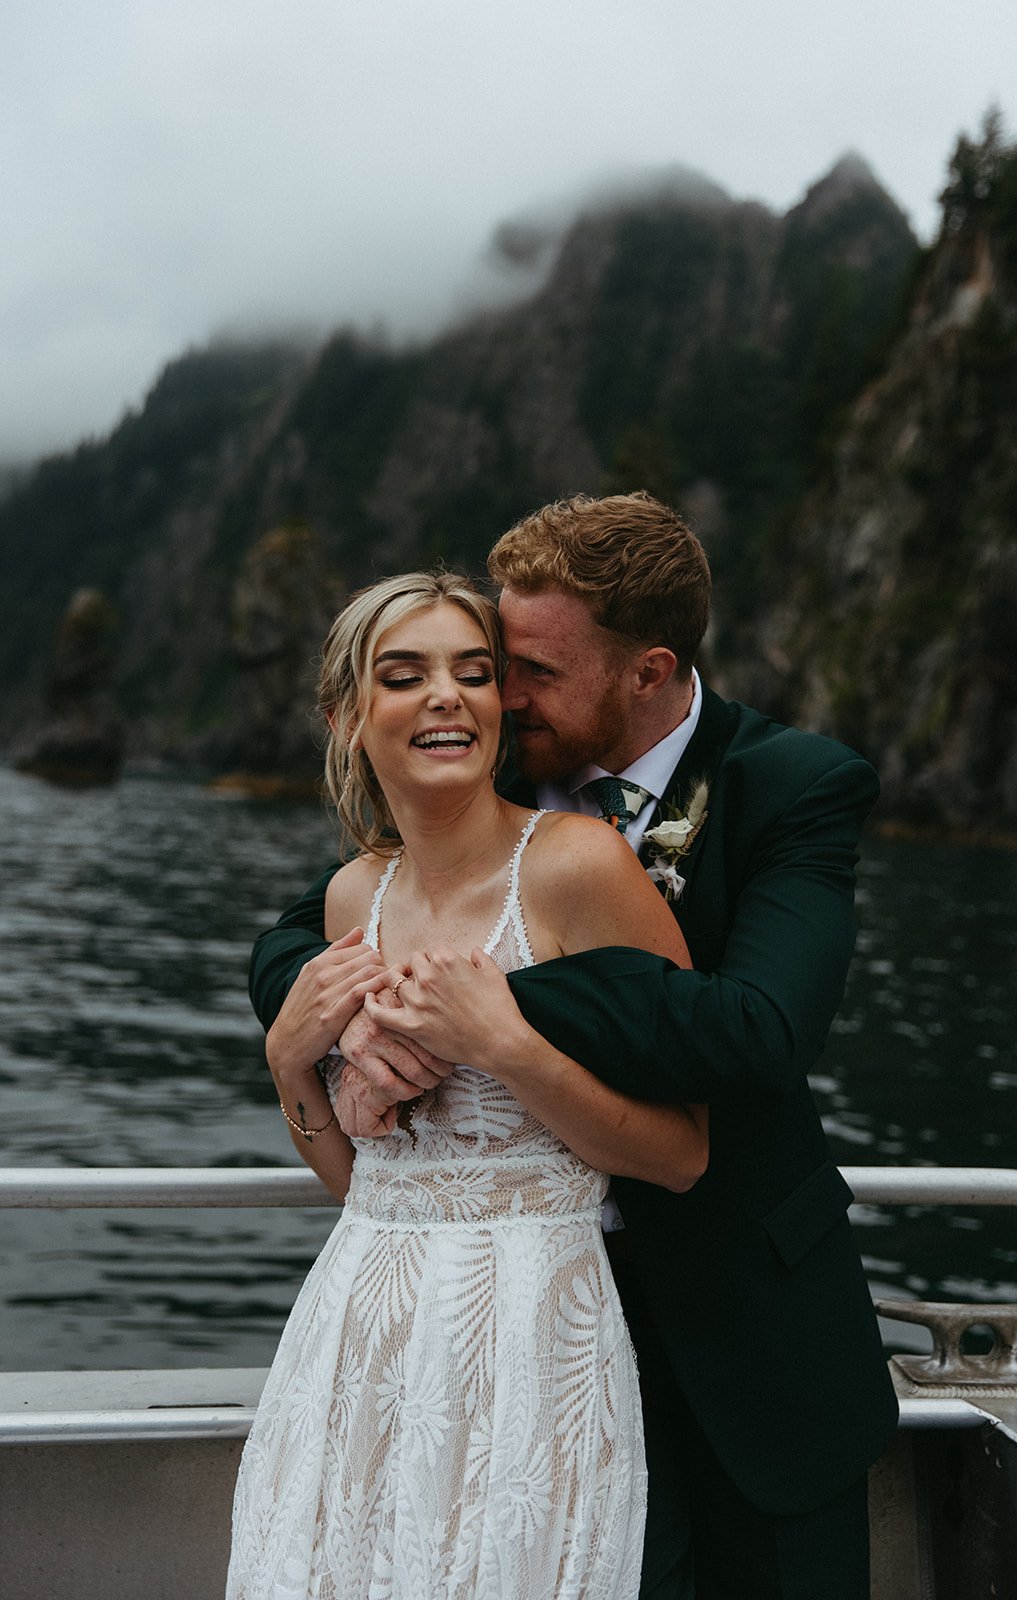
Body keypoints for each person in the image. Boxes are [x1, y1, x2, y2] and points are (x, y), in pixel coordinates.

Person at [249, 493, 900, 1600]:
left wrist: (493, 1013)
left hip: (742, 1316)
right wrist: (347, 1021)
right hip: (505, 1338)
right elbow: (296, 935)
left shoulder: (786, 786)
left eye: (527, 670)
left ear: (644, 673)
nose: (493, 692)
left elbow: (758, 1033)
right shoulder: (486, 762)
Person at [227, 570, 707, 1600]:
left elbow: (680, 1151)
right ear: (349, 718)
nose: (445, 695)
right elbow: (366, 1186)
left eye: (472, 672)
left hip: (532, 1335)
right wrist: (289, 1062)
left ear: (499, 705)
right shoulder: (356, 892)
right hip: (356, 1331)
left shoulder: (578, 868)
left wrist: (504, 1043)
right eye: (404, 676)